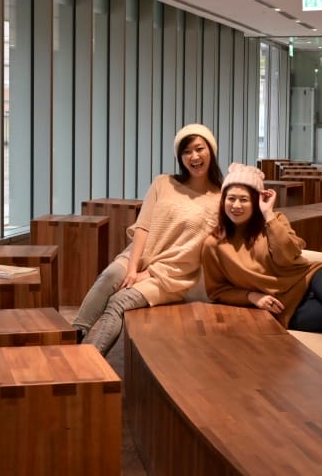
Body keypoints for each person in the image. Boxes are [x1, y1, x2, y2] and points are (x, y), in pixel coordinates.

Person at [72, 124, 223, 354]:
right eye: (186, 152)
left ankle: (85, 362)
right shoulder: (163, 183)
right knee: (110, 276)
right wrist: (133, 269)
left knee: (119, 302)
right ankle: (73, 338)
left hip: (172, 274)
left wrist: (148, 274)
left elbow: (191, 252)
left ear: (211, 150)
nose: (194, 156)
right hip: (140, 255)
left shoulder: (219, 200)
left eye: (199, 149)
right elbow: (143, 227)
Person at [201, 162, 322, 333]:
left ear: (256, 201)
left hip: (309, 278)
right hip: (285, 307)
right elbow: (217, 291)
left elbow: (288, 256)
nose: (236, 205)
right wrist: (251, 297)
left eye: (244, 199)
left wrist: (268, 215)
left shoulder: (275, 221)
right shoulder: (214, 244)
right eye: (231, 198)